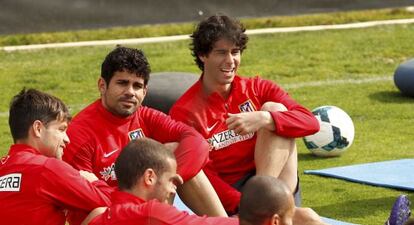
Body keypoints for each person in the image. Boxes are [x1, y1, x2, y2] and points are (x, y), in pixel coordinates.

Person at [169, 14, 320, 215]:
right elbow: (204, 174)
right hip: (230, 198)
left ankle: (263, 201)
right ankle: (257, 211)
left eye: (235, 52)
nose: (230, 61)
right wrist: (241, 204)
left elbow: (311, 123)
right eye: (221, 52)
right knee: (308, 217)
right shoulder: (185, 111)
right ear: (203, 55)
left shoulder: (257, 88)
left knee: (275, 110)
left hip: (273, 184)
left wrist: (265, 119)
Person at [63, 46, 226, 217]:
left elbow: (197, 142)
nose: (130, 92)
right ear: (102, 85)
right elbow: (82, 198)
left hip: (147, 206)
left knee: (175, 151)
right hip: (109, 213)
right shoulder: (79, 133)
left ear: (145, 91)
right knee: (98, 211)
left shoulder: (145, 115)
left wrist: (168, 181)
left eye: (137, 86)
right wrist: (142, 202)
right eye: (122, 83)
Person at [0, 88, 111, 225]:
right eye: (61, 129)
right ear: (38, 128)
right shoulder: (47, 168)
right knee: (102, 213)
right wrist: (93, 182)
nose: (67, 139)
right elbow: (116, 204)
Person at [85, 138, 237, 225]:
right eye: (171, 181)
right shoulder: (152, 213)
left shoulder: (98, 217)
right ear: (149, 177)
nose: (173, 189)